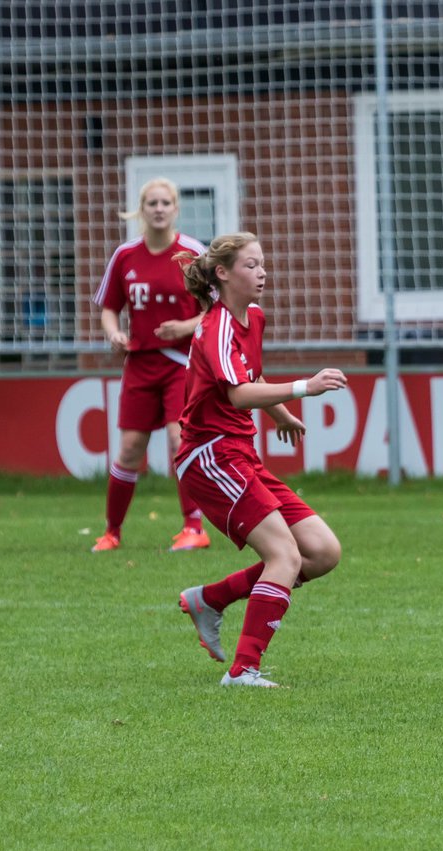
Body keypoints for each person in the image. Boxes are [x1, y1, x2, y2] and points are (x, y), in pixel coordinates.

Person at [172, 232, 348, 688]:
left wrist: (282, 415)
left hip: (240, 453)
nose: (262, 272)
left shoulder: (252, 317)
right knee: (285, 555)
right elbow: (236, 392)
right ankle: (242, 670)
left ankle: (210, 599)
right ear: (223, 273)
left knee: (323, 552)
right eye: (251, 265)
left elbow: (252, 375)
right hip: (210, 457)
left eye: (262, 263)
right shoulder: (214, 327)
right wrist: (303, 388)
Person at [90, 177, 211, 553]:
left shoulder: (193, 253)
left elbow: (216, 310)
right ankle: (112, 532)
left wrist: (185, 326)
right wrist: (113, 334)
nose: (158, 209)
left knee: (180, 440)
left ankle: (194, 527)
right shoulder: (125, 255)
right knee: (128, 448)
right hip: (141, 363)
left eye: (165, 203)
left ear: (176, 209)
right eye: (151, 203)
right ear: (141, 210)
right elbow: (109, 308)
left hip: (181, 362)